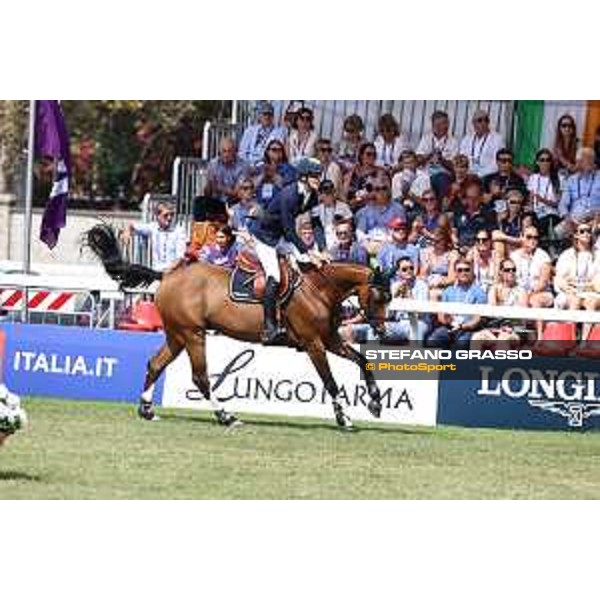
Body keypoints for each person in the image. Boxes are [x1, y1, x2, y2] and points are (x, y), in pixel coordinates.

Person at [247, 157, 328, 343]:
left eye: (319, 175)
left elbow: (316, 223)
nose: (319, 179)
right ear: (304, 177)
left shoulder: (312, 195)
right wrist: (308, 252)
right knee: (274, 276)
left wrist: (322, 249)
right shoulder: (289, 195)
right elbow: (290, 230)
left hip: (281, 237)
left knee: (303, 271)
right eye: (315, 176)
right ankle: (269, 326)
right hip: (265, 238)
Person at [426, 258, 487, 349]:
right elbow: (441, 316)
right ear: (455, 273)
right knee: (433, 340)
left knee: (461, 344)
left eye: (467, 270)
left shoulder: (479, 292)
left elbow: (478, 319)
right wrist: (447, 320)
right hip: (449, 326)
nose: (463, 273)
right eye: (460, 270)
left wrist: (462, 326)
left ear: (471, 272)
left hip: (469, 329)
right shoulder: (448, 291)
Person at [554, 223, 600, 340]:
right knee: (574, 300)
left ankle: (585, 342)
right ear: (576, 235)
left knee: (591, 302)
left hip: (591, 292)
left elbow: (597, 281)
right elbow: (559, 278)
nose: (586, 234)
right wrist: (567, 288)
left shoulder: (598, 254)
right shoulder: (567, 254)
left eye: (589, 231)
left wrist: (589, 286)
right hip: (571, 291)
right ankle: (571, 339)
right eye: (582, 231)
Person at [470, 258, 527, 349]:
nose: (511, 272)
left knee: (502, 340)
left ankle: (501, 363)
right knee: (476, 338)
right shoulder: (494, 288)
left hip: (514, 329)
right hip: (495, 328)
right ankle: (476, 363)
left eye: (513, 270)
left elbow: (521, 316)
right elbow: (493, 312)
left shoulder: (521, 291)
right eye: (507, 270)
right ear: (501, 272)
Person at [510, 224, 554, 338]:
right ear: (522, 237)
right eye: (529, 237)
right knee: (519, 295)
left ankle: (540, 337)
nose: (533, 240)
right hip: (520, 291)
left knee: (535, 300)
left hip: (541, 292)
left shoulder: (543, 256)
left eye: (535, 237)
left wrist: (529, 294)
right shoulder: (514, 256)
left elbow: (543, 283)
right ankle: (518, 333)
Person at [124, 200, 187, 273]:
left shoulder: (179, 231)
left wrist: (169, 270)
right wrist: (127, 233)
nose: (169, 218)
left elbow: (180, 257)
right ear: (157, 216)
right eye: (166, 215)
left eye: (172, 215)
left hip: (174, 272)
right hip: (156, 272)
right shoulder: (153, 227)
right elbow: (131, 225)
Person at [557, 147, 600, 236]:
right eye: (584, 159)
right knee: (556, 233)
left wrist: (597, 215)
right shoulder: (571, 180)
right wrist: (567, 218)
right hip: (574, 219)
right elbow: (563, 204)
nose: (589, 162)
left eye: (590, 159)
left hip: (596, 217)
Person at [354, 173, 406, 245]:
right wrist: (368, 244)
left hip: (390, 245)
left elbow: (400, 232)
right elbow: (360, 233)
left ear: (390, 189)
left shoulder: (398, 209)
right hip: (370, 245)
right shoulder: (366, 210)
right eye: (377, 189)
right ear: (373, 191)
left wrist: (384, 243)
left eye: (384, 188)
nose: (381, 192)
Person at [527, 148, 562, 250]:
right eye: (542, 160)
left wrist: (542, 200)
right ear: (537, 162)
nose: (545, 162)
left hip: (551, 213)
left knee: (547, 221)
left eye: (548, 160)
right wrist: (530, 208)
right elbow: (530, 199)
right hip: (535, 212)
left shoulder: (558, 178)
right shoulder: (533, 177)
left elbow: (557, 204)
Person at [452, 175, 496, 251]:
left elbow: (490, 238)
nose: (472, 201)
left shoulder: (489, 213)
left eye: (476, 198)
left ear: (481, 196)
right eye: (469, 197)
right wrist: (456, 242)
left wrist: (473, 249)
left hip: (479, 251)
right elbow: (454, 231)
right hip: (459, 249)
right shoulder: (459, 211)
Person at [459, 109, 505, 178]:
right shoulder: (466, 139)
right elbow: (461, 159)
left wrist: (479, 175)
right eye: (480, 120)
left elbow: (497, 163)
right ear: (473, 123)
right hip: (467, 174)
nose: (483, 123)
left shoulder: (497, 139)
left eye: (486, 120)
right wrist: (466, 173)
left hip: (488, 175)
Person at [205, 138, 250, 205]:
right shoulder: (213, 164)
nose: (226, 155)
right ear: (220, 152)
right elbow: (207, 192)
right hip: (216, 200)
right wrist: (209, 184)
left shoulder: (243, 166)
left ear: (235, 152)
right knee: (199, 202)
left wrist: (218, 187)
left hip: (234, 202)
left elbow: (237, 193)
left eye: (229, 151)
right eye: (224, 151)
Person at [419, 225, 459, 301]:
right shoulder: (426, 253)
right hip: (429, 284)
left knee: (434, 294)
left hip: (445, 286)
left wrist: (438, 282)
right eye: (431, 240)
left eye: (437, 241)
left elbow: (451, 279)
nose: (434, 243)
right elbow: (422, 276)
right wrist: (426, 269)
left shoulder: (451, 255)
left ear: (445, 240)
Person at [311, 179, 352, 248]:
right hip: (324, 240)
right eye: (326, 194)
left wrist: (341, 221)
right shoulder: (316, 210)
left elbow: (350, 223)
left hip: (340, 239)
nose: (329, 196)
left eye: (330, 193)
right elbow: (316, 229)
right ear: (321, 195)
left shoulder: (343, 207)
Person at [344, 142, 385, 210]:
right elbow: (344, 191)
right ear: (361, 155)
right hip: (350, 205)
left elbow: (378, 193)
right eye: (368, 154)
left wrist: (358, 200)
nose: (372, 157)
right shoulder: (353, 171)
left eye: (374, 155)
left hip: (368, 207)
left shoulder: (379, 172)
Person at [466, 227, 501, 294]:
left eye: (484, 240)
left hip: (492, 291)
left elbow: (497, 280)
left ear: (490, 241)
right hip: (474, 291)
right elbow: (465, 274)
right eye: (478, 240)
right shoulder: (472, 255)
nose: (481, 242)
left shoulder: (496, 256)